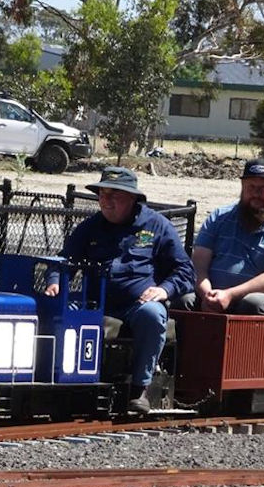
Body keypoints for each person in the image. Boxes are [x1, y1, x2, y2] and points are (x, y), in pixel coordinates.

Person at [45, 167, 194, 414]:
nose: (106, 201)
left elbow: (185, 271)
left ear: (132, 198)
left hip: (137, 304)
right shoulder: (90, 227)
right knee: (59, 309)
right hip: (96, 301)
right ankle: (61, 382)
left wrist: (164, 290)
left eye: (114, 195)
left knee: (153, 315)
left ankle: (140, 389)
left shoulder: (158, 226)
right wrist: (56, 281)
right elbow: (64, 261)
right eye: (102, 195)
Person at [176, 158, 264, 317]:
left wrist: (230, 295)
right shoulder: (219, 217)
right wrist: (208, 295)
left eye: (263, 188)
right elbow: (198, 264)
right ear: (242, 187)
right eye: (251, 187)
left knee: (252, 303)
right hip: (216, 296)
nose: (256, 194)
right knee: (184, 299)